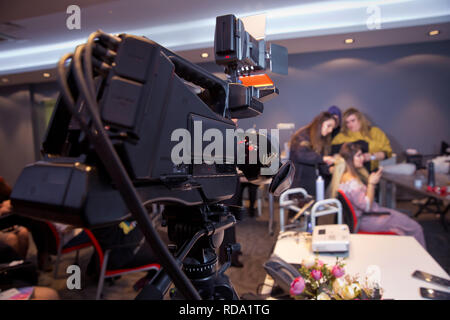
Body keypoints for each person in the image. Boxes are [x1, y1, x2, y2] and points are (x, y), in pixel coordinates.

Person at [328, 142, 426, 248]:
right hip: (370, 219)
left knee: (404, 226)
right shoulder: (352, 183)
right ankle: (423, 262)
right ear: (350, 159)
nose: (362, 158)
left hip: (368, 217)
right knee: (416, 228)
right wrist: (371, 184)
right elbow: (367, 207)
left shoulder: (344, 177)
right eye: (359, 155)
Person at [289, 112, 336, 197]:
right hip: (299, 183)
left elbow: (318, 160)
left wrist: (329, 169)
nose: (330, 130)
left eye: (332, 127)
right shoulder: (302, 136)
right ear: (320, 123)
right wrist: (324, 158)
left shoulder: (320, 139)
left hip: (311, 183)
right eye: (329, 126)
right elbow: (300, 155)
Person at [332, 108, 392, 172]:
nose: (350, 125)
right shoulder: (341, 136)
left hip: (372, 172)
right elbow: (333, 154)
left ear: (360, 120)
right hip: (350, 174)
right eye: (347, 122)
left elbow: (386, 154)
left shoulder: (375, 132)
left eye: (353, 120)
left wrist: (370, 157)